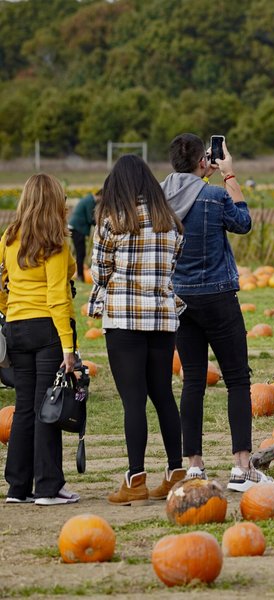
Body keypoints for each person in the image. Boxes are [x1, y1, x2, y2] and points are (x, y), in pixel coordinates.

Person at [161, 134, 272, 492]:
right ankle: (242, 466)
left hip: (181, 299)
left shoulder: (161, 197)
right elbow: (243, 223)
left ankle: (194, 465)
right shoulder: (214, 195)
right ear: (202, 161)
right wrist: (229, 175)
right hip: (219, 296)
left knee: (193, 380)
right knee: (237, 379)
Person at [88, 155, 185, 506]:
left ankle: (135, 479)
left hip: (125, 319)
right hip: (161, 319)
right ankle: (176, 473)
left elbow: (99, 272)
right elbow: (172, 265)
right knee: (163, 396)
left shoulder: (113, 221)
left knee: (133, 401)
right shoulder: (170, 222)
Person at [1, 174, 80, 506]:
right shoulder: (55, 243)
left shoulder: (9, 237)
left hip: (16, 327)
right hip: (47, 329)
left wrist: (7, 310)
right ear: (55, 203)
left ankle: (17, 487)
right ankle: (48, 486)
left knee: (24, 408)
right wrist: (68, 348)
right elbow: (58, 296)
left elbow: (1, 282)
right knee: (48, 407)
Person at [67, 190, 99, 283]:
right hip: (77, 229)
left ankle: (80, 275)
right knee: (80, 253)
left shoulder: (88, 199)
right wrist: (100, 224)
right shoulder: (90, 201)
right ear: (100, 196)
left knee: (80, 253)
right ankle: (80, 276)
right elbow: (90, 218)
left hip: (75, 228)